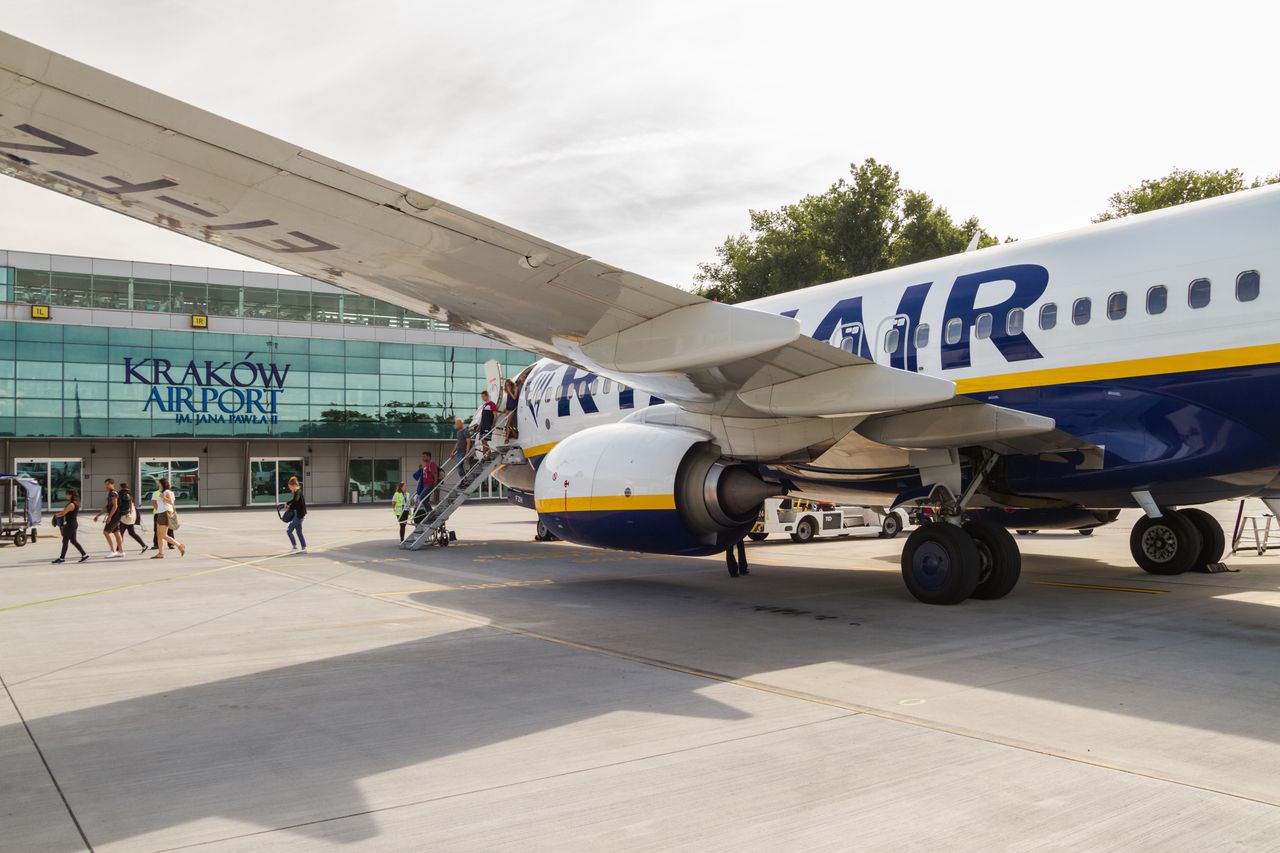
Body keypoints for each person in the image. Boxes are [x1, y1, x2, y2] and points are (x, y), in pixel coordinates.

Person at [151, 477, 186, 559]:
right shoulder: (160, 492)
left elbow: (171, 502)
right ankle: (160, 553)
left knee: (163, 535)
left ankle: (179, 545)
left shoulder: (167, 491)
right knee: (159, 535)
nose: (158, 484)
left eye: (159, 483)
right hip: (160, 513)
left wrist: (163, 497)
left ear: (162, 484)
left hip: (165, 513)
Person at [51, 489, 89, 564]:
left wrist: (55, 516)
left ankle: (62, 558)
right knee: (73, 541)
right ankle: (84, 555)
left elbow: (63, 513)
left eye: (67, 494)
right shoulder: (75, 503)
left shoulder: (71, 504)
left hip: (70, 524)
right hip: (73, 524)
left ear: (71, 495)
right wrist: (57, 515)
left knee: (65, 541)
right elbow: (64, 512)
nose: (66, 495)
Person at [93, 478, 125, 558]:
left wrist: (109, 517)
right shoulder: (111, 493)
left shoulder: (113, 493)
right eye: (105, 484)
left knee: (106, 532)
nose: (105, 486)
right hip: (115, 515)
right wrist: (98, 515)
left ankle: (113, 551)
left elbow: (115, 506)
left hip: (115, 516)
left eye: (107, 484)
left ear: (112, 484)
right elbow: (108, 507)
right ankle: (120, 551)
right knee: (117, 533)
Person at [117, 482, 150, 554]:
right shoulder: (129, 493)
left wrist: (125, 513)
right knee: (131, 532)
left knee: (121, 533)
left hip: (126, 516)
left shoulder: (123, 493)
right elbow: (131, 504)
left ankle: (118, 550)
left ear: (121, 487)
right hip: (131, 515)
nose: (118, 488)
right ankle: (144, 545)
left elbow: (125, 505)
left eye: (119, 487)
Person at [411, 451, 440, 515]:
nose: (423, 458)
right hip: (425, 485)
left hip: (430, 484)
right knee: (425, 500)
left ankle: (430, 512)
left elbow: (435, 474)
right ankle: (429, 512)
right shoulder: (425, 465)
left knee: (421, 498)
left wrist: (435, 485)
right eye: (422, 457)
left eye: (424, 456)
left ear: (429, 457)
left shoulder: (431, 464)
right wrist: (420, 469)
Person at [284, 475, 307, 552]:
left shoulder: (297, 492)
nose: (289, 488)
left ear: (293, 485)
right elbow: (296, 502)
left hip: (299, 515)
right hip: (301, 515)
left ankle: (294, 547)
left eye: (290, 487)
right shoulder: (299, 491)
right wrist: (289, 505)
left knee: (289, 531)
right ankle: (304, 548)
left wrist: (288, 504)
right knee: (299, 532)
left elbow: (296, 500)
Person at [451, 417, 471, 483]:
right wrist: (453, 452)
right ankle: (464, 479)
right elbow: (457, 442)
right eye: (456, 424)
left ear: (461, 424)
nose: (456, 425)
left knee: (459, 465)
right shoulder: (458, 432)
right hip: (458, 452)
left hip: (463, 451)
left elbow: (468, 442)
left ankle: (464, 479)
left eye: (457, 424)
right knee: (459, 466)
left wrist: (467, 452)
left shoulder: (466, 431)